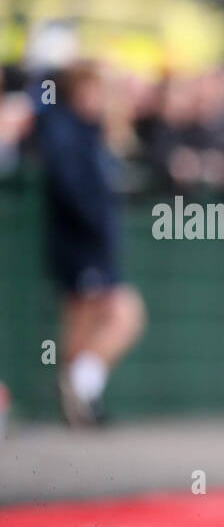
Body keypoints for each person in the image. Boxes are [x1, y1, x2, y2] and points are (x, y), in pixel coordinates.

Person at [37, 60, 146, 426]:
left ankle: (80, 393)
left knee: (100, 321)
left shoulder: (92, 131)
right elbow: (72, 189)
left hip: (92, 245)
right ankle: (78, 394)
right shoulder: (65, 130)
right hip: (79, 245)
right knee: (101, 318)